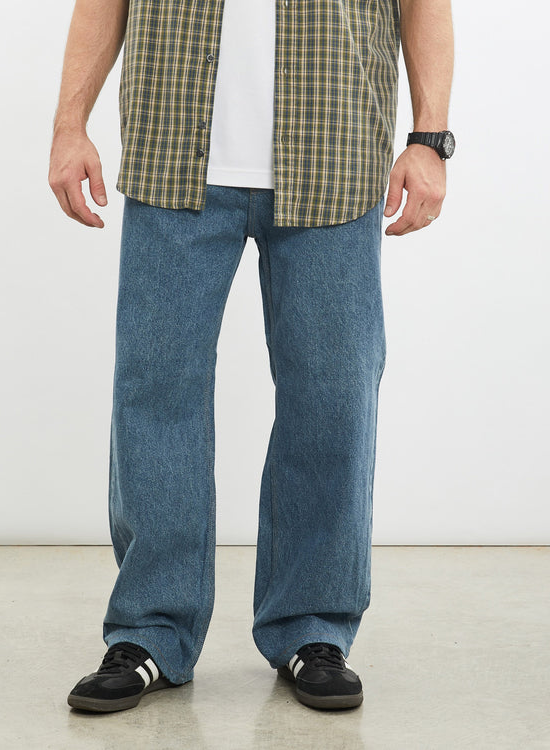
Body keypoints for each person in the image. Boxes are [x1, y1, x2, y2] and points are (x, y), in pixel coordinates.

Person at [49, 0, 454, 713]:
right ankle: (150, 629)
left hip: (335, 149)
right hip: (173, 146)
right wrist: (68, 124)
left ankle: (313, 626)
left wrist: (429, 138)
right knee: (155, 392)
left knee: (334, 398)